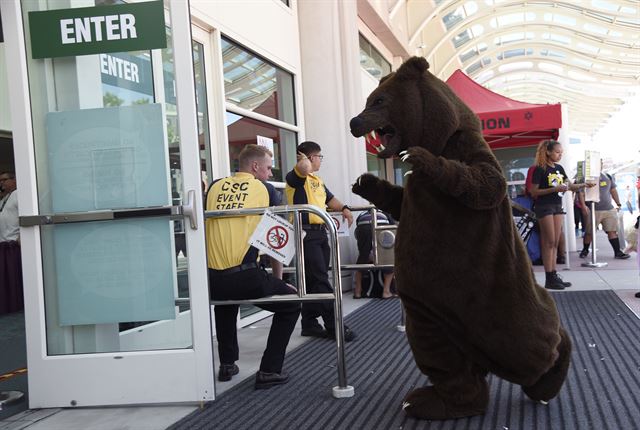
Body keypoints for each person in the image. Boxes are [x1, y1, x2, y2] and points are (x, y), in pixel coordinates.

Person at [206, 144, 301, 389]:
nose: (271, 174)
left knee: (226, 303)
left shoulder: (214, 187)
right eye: (269, 168)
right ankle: (269, 371)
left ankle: (227, 364)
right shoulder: (265, 189)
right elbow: (275, 240)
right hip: (246, 278)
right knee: (291, 304)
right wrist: (280, 280)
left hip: (212, 282)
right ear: (255, 166)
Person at [285, 141, 356, 341]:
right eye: (318, 156)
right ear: (307, 158)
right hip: (306, 235)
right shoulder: (295, 177)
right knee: (322, 281)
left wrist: (344, 208)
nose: (320, 160)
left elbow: (330, 200)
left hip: (320, 233)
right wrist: (303, 159)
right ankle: (334, 326)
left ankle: (309, 323)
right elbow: (303, 168)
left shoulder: (317, 180)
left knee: (313, 280)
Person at [528, 140, 592, 290]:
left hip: (557, 206)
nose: (560, 155)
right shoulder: (539, 169)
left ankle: (553, 275)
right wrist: (553, 190)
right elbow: (533, 192)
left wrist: (583, 185)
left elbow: (569, 186)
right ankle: (549, 276)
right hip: (544, 207)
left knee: (555, 242)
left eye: (561, 153)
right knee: (548, 241)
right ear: (548, 152)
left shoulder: (559, 168)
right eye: (557, 152)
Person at [579, 168, 630, 260]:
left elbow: (613, 190)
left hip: (608, 209)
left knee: (612, 231)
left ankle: (617, 252)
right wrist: (583, 206)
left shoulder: (607, 176)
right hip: (593, 209)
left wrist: (618, 203)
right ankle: (585, 250)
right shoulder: (585, 178)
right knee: (589, 232)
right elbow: (581, 193)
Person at [353, 210, 396, 299]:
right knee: (387, 259)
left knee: (362, 258)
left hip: (362, 226)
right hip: (381, 225)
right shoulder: (385, 212)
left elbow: (357, 226)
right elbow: (392, 228)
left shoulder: (363, 213)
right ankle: (386, 291)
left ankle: (358, 291)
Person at [0, 172, 23, 315]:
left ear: (14, 180)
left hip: (13, 244)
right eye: (0, 181)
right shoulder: (3, 199)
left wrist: (21, 237)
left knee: (14, 278)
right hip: (3, 244)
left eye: (4, 180)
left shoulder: (18, 194)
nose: (1, 183)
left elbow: (24, 215)